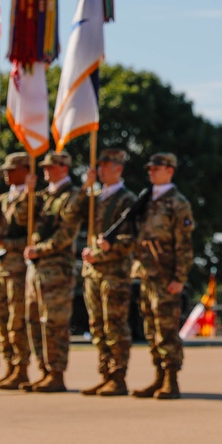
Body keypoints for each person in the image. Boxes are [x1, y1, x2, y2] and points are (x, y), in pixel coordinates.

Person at [19, 151, 90, 393]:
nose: (46, 170)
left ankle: (56, 372)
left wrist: (39, 249)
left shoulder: (72, 196)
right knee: (33, 320)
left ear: (64, 168)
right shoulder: (42, 196)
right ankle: (44, 370)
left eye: (52, 166)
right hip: (36, 269)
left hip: (56, 269)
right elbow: (20, 218)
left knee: (54, 323)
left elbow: (66, 233)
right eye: (45, 166)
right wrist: (27, 193)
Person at [130, 152, 195, 400]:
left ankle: (171, 379)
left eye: (156, 168)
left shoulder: (178, 203)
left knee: (167, 329)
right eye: (150, 168)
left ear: (170, 170)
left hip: (167, 275)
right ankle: (158, 376)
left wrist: (179, 277)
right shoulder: (146, 200)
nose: (151, 172)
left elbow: (184, 244)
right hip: (147, 274)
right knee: (150, 329)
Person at [80, 148, 143, 396]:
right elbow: (74, 212)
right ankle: (105, 373)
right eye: (99, 166)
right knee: (97, 326)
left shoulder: (127, 200)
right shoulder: (97, 198)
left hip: (114, 272)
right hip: (93, 272)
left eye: (106, 166)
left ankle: (118, 376)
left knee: (114, 325)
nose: (101, 170)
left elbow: (133, 238)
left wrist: (107, 250)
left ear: (119, 168)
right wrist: (87, 186)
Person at [0, 153, 33, 390]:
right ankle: (10, 366)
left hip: (18, 269)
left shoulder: (32, 198)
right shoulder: (2, 198)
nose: (6, 173)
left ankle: (21, 368)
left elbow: (30, 236)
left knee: (16, 322)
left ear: (25, 170)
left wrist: (6, 244)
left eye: (11, 169)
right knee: (1, 321)